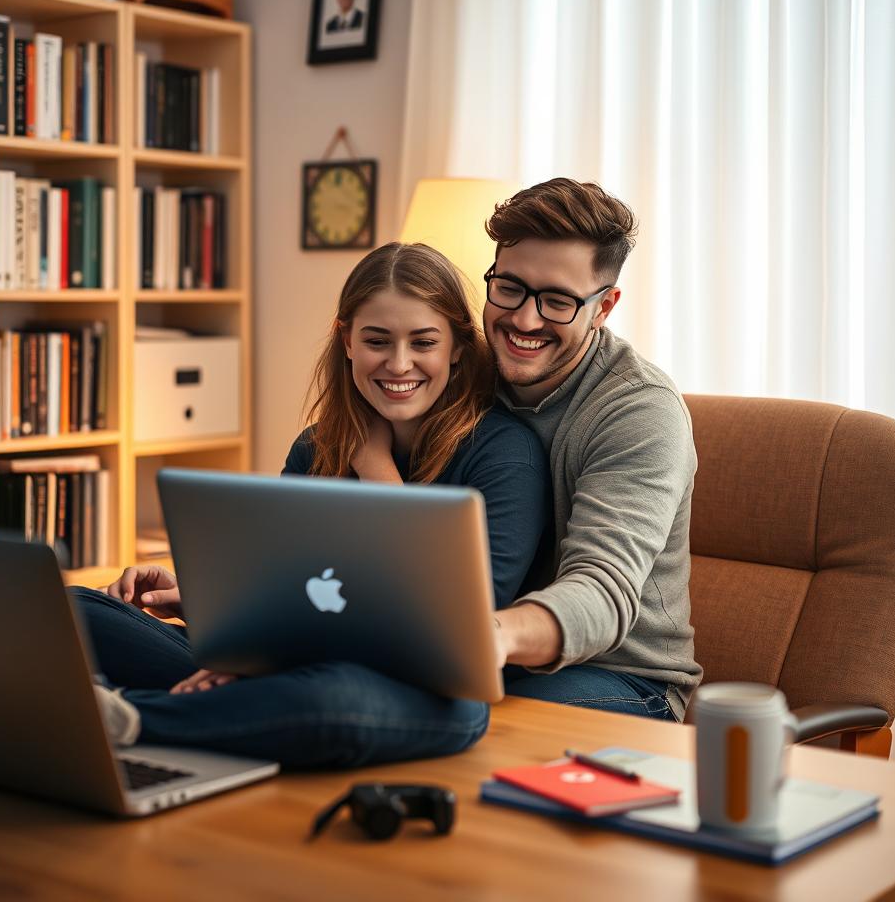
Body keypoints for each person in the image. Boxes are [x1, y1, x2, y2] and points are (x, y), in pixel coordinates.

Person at [75, 242, 549, 768]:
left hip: (409, 685)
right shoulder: (315, 446)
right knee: (77, 608)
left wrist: (373, 466)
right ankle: (226, 713)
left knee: (365, 704)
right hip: (288, 666)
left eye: (423, 342)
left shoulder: (505, 455)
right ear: (345, 340)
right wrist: (208, 605)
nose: (398, 363)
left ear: (458, 347)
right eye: (376, 340)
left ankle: (133, 718)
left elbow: (454, 626)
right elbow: (287, 586)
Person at [487, 178, 703, 722]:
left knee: (463, 726)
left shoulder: (640, 411)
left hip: (625, 679)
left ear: (604, 306)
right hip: (487, 655)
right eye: (509, 288)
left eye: (557, 301)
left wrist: (490, 635)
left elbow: (602, 591)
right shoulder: (466, 371)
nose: (524, 319)